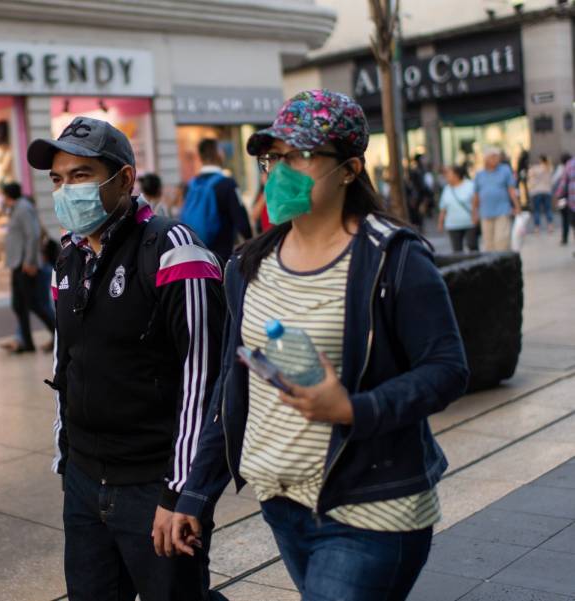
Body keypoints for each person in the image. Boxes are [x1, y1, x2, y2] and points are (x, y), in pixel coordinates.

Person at [169, 89, 469, 600]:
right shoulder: (246, 266)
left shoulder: (391, 259)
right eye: (274, 157)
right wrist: (195, 491)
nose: (281, 170)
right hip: (281, 503)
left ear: (350, 169)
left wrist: (355, 408)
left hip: (371, 506)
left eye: (301, 156)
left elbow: (447, 368)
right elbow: (230, 383)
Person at [28, 116, 228, 601]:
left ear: (124, 180)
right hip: (85, 482)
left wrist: (181, 494)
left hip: (153, 486)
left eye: (80, 176)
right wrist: (67, 458)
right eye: (57, 179)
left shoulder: (173, 251)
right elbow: (65, 364)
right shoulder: (69, 257)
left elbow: (205, 382)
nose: (65, 190)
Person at [2, 182, 55, 354]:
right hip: (18, 264)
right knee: (18, 304)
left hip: (25, 265)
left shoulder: (24, 208)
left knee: (34, 304)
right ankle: (26, 342)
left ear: (7, 195)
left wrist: (30, 261)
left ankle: (60, 335)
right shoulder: (17, 208)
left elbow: (33, 234)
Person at [181, 138, 252, 263]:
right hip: (221, 255)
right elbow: (242, 221)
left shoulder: (191, 185)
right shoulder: (227, 184)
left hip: (195, 254)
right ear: (218, 153)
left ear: (200, 157)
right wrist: (251, 243)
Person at [473, 147, 521, 251]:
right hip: (485, 212)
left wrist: (517, 206)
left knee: (502, 241)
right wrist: (474, 212)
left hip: (502, 210)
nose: (496, 159)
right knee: (488, 243)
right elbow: (476, 195)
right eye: (492, 157)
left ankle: (502, 264)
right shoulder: (479, 174)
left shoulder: (505, 170)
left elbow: (511, 190)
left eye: (497, 157)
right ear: (486, 159)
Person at [438, 165, 479, 252]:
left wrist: (476, 215)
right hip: (452, 224)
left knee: (472, 246)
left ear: (457, 175)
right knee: (457, 250)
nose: (446, 176)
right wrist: (440, 222)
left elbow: (476, 202)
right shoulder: (447, 189)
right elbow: (443, 207)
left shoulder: (470, 185)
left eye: (449, 174)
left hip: (469, 223)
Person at [553, 153, 575, 257]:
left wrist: (557, 196)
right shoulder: (570, 164)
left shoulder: (569, 165)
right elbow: (563, 183)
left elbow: (562, 183)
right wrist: (558, 195)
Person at [528, 155, 554, 233]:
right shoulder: (549, 168)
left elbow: (530, 177)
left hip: (536, 191)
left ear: (540, 160)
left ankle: (537, 228)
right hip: (547, 191)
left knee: (537, 210)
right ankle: (550, 226)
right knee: (548, 209)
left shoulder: (535, 168)